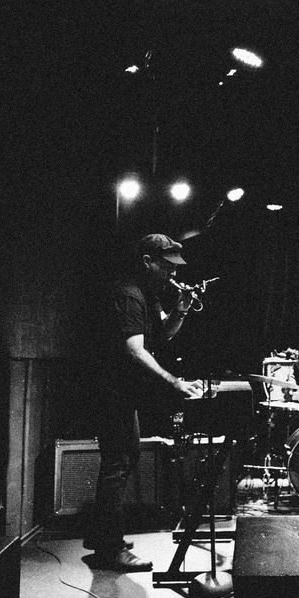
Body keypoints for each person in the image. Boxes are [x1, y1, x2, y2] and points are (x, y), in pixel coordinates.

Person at [85, 234, 204, 572]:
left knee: (126, 456)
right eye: (166, 266)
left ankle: (101, 537)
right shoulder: (128, 295)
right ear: (147, 261)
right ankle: (110, 549)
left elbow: (161, 334)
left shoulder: (148, 294)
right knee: (119, 463)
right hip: (111, 392)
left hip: (122, 393)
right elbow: (135, 351)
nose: (172, 273)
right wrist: (175, 382)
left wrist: (180, 310)